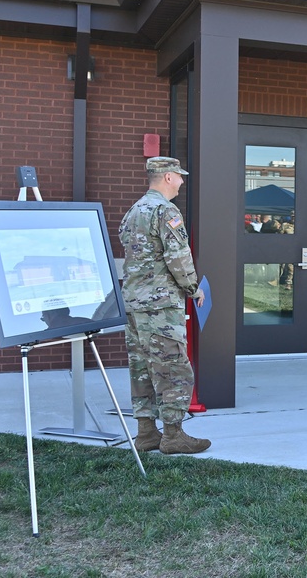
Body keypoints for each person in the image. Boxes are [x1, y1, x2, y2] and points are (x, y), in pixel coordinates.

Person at [119, 156, 210, 455]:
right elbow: (178, 256)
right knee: (173, 368)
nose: (182, 182)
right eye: (179, 176)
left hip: (133, 304)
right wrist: (192, 288)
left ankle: (146, 433)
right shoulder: (165, 210)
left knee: (142, 368)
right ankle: (173, 436)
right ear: (168, 177)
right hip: (159, 305)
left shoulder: (134, 210)